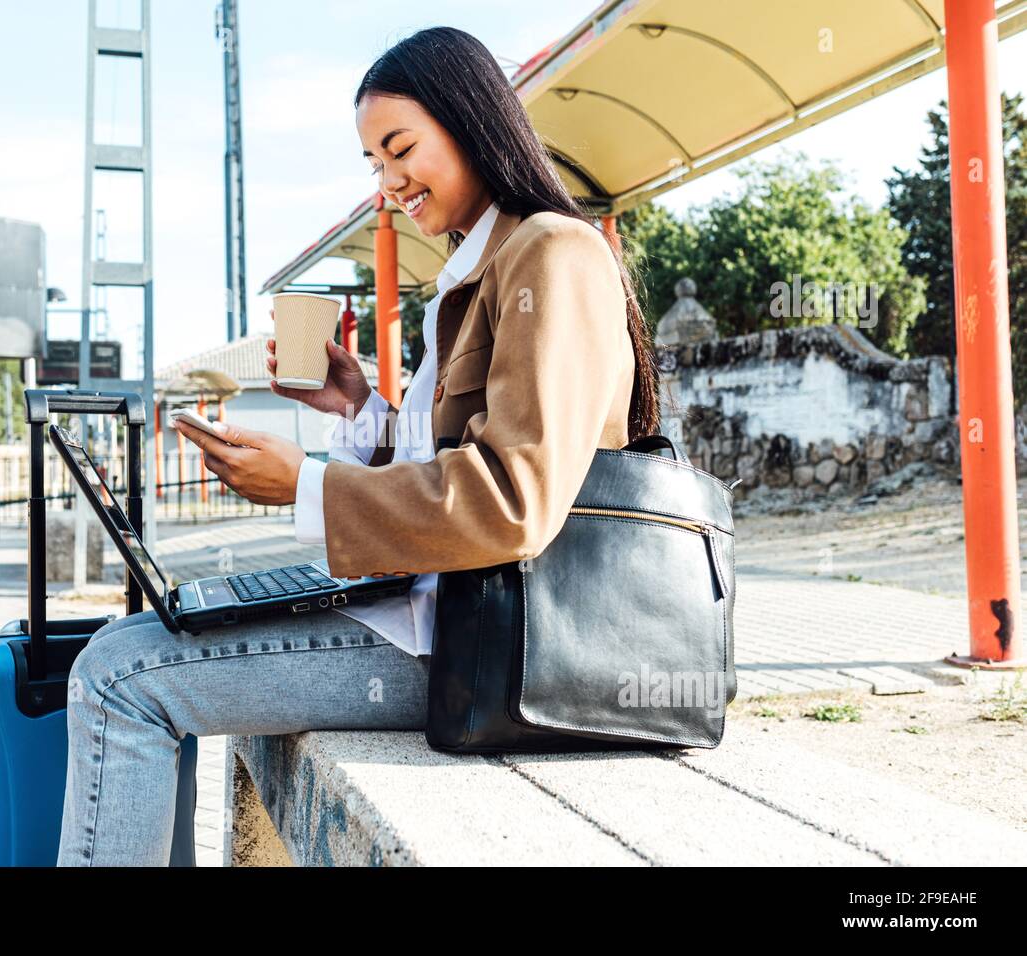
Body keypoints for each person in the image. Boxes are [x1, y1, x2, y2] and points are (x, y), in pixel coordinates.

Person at [56, 25, 659, 867]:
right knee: (141, 641)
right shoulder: (475, 274)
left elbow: (514, 498)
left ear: (472, 119)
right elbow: (441, 461)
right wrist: (359, 407)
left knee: (119, 676)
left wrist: (306, 485)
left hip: (476, 641)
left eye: (401, 148)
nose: (390, 183)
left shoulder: (551, 253)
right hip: (434, 615)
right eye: (375, 164)